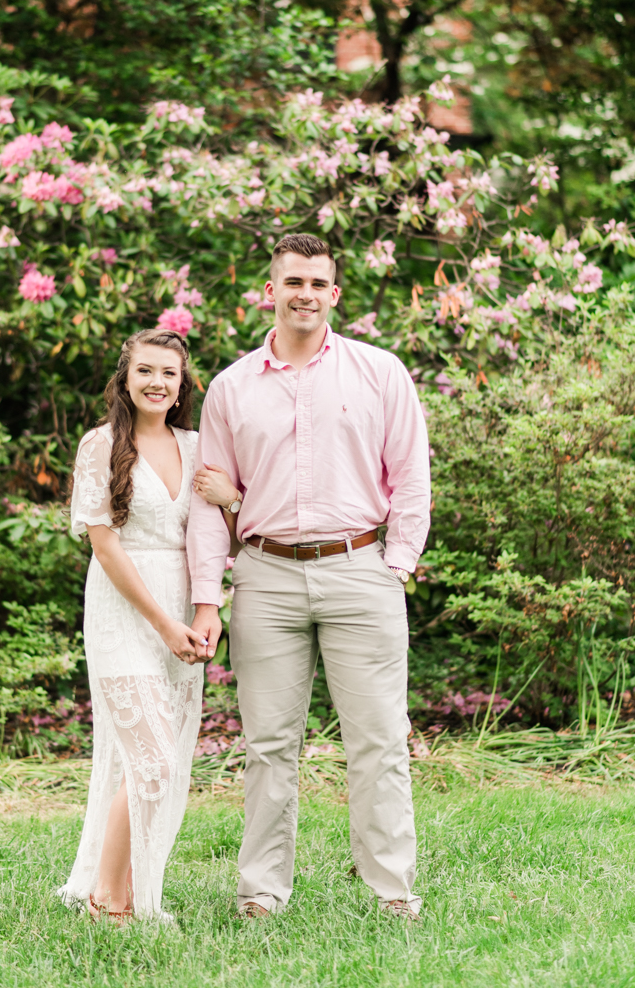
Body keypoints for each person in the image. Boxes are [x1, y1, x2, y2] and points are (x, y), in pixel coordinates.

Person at [188, 233, 431, 922]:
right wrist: (209, 596)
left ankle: (393, 892)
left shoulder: (380, 372)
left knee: (378, 738)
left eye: (317, 283)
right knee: (267, 744)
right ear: (270, 290)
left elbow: (411, 475)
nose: (305, 293)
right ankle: (261, 892)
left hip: (361, 570)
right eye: (292, 281)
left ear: (335, 292)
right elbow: (212, 506)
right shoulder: (231, 388)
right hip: (264, 576)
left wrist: (397, 565)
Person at [59, 328, 238, 923]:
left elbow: (221, 535)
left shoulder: (196, 445)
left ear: (183, 383)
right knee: (151, 759)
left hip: (184, 606)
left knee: (165, 760)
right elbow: (106, 548)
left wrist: (231, 499)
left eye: (170, 373)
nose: (158, 383)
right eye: (147, 371)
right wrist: (165, 624)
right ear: (126, 378)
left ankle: (125, 890)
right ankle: (107, 900)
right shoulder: (100, 444)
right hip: (124, 608)